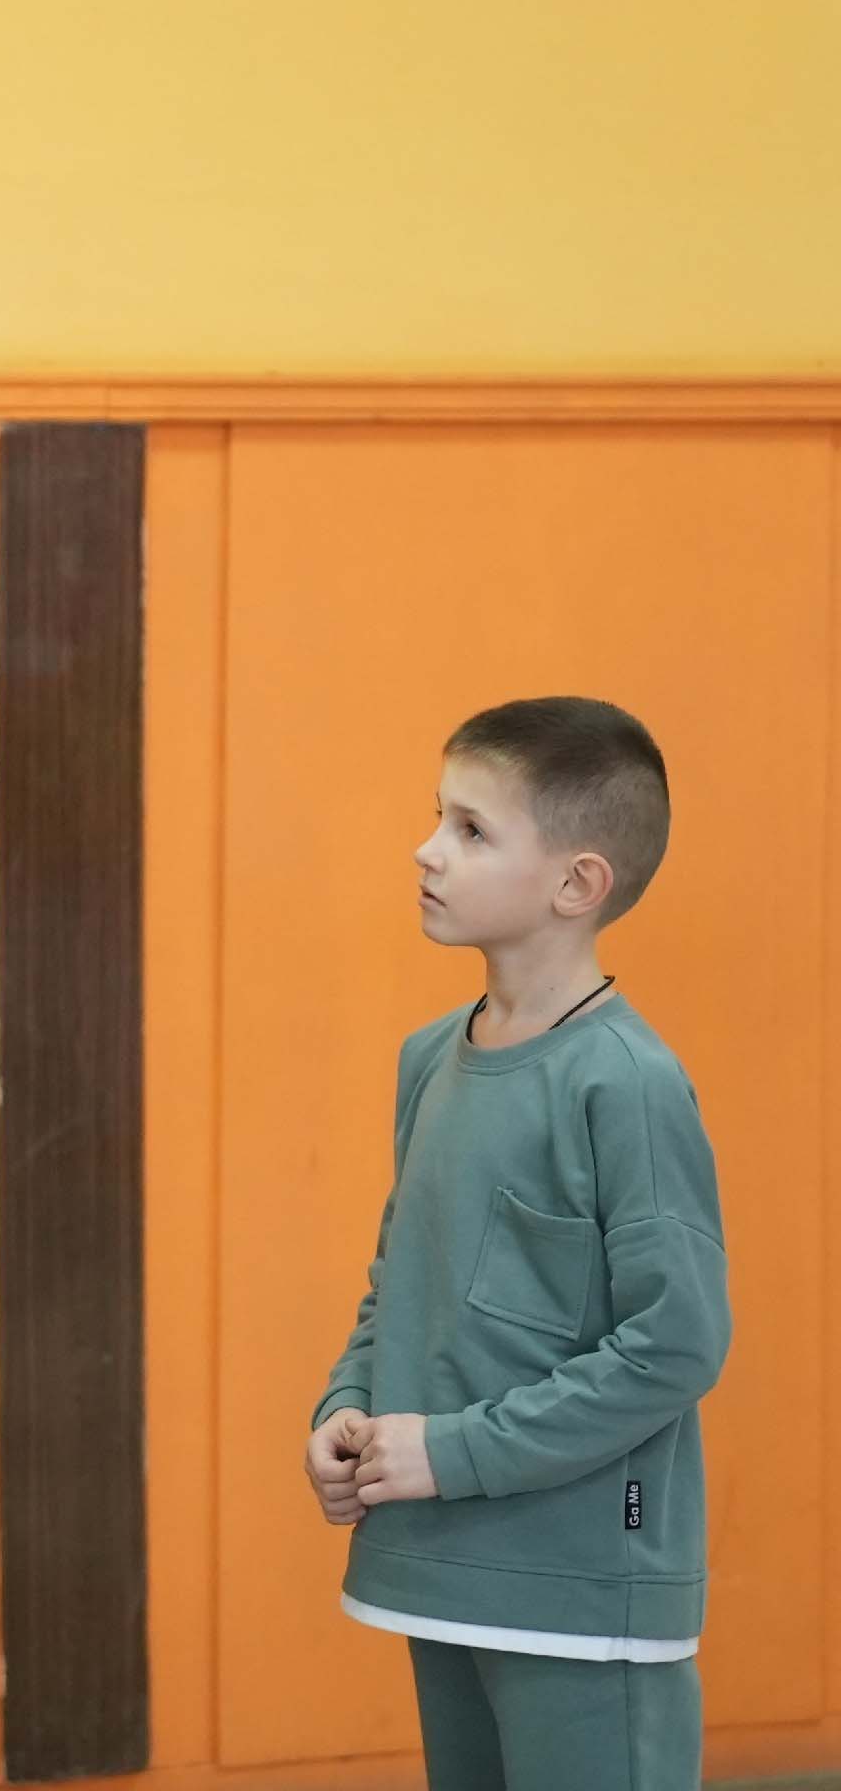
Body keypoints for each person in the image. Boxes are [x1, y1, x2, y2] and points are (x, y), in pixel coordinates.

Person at [305, 697, 731, 1790]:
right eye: (436, 818)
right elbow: (400, 1281)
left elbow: (678, 1344)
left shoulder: (627, 1084)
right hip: (436, 1573)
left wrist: (451, 1453)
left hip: (581, 1598)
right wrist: (346, 1408)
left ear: (576, 884)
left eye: (471, 830)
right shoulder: (427, 1060)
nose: (427, 850)